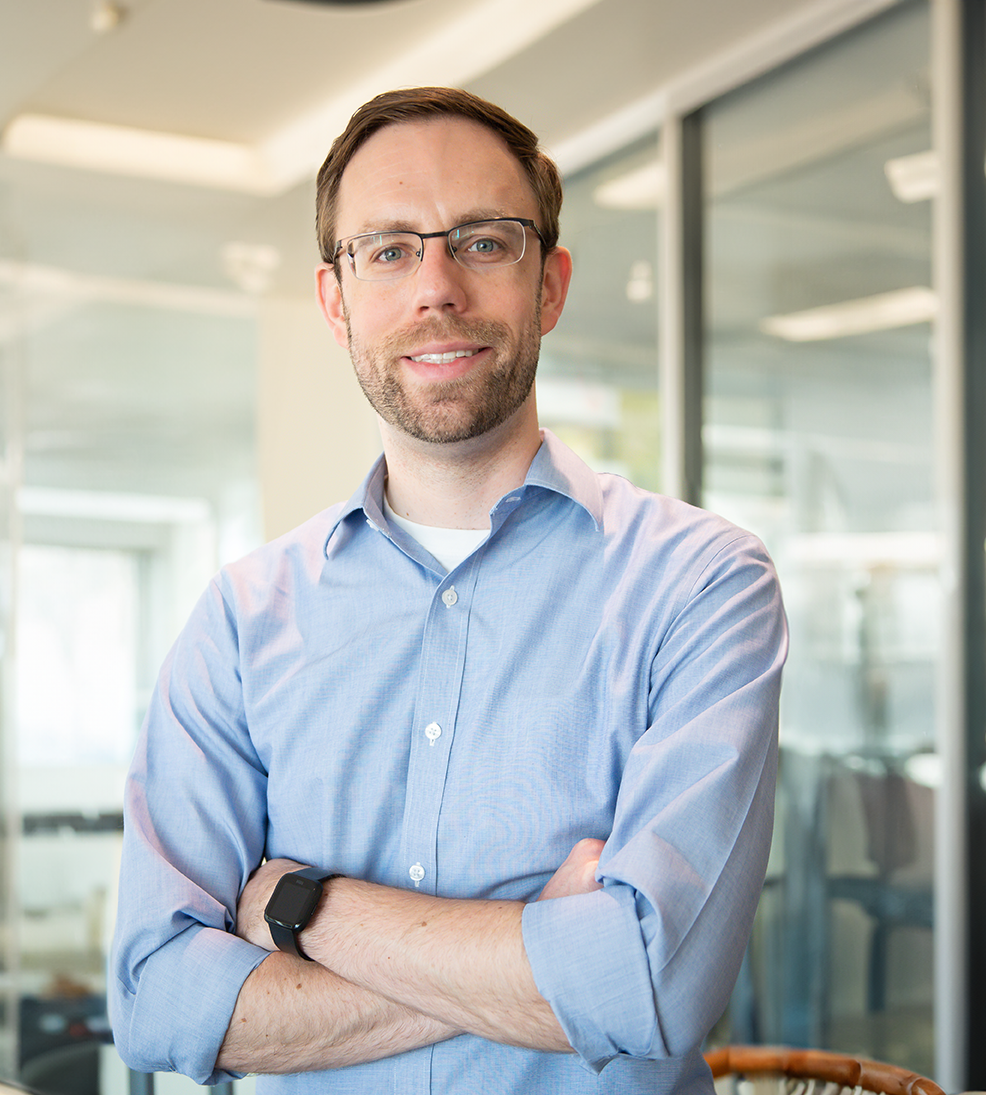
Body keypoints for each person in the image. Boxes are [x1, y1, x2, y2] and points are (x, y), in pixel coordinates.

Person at [108, 87, 786, 1094]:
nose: (436, 288)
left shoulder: (701, 584)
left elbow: (650, 984)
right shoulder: (244, 621)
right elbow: (159, 1003)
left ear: (549, 285)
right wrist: (542, 952)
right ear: (336, 300)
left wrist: (303, 911)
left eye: (482, 242)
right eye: (388, 249)